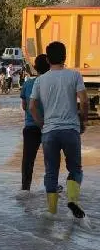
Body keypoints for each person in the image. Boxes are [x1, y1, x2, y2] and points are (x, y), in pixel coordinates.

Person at [30, 41, 89, 218]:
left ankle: (52, 211)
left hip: (49, 132)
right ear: (65, 57)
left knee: (51, 172)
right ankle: (72, 200)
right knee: (75, 169)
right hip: (70, 129)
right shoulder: (74, 75)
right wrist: (83, 121)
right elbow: (84, 101)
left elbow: (31, 106)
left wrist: (41, 124)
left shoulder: (40, 80)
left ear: (47, 59)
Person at [20, 54, 50, 192]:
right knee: (51, 160)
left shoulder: (27, 84)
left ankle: (25, 189)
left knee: (28, 160)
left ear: (35, 68)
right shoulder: (52, 84)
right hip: (49, 127)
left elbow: (25, 106)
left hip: (31, 127)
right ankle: (51, 188)